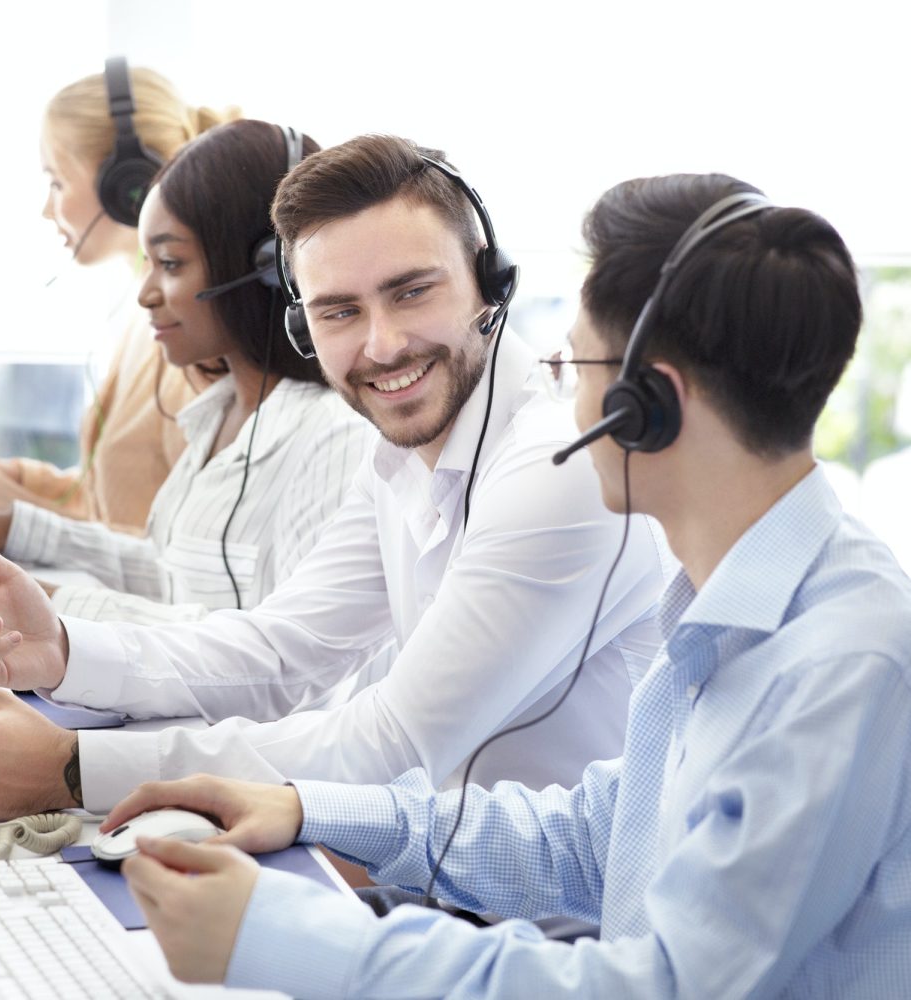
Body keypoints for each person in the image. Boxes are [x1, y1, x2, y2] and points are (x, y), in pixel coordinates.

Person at [104, 174, 910, 997]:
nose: (561, 389)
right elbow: (598, 840)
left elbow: (667, 987)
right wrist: (309, 809)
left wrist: (289, 938)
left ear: (646, 408)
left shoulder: (841, 663)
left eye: (576, 361)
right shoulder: (728, 611)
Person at [0, 135, 666, 823]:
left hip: (541, 925)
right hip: (435, 872)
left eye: (412, 291)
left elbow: (391, 743)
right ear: (303, 327)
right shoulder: (404, 452)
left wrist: (75, 770)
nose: (383, 345)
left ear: (489, 283)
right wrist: (64, 649)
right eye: (339, 311)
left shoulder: (555, 469)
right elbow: (284, 648)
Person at [0, 120, 372, 625]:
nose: (145, 293)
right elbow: (170, 576)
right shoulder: (219, 415)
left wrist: (52, 607)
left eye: (171, 263)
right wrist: (15, 530)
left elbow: (280, 653)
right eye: (148, 262)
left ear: (270, 266)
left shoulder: (336, 437)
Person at [0, 63, 237, 533]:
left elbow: (181, 552)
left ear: (128, 185)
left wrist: (23, 512)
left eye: (57, 182)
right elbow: (114, 500)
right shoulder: (140, 319)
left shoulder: (191, 337)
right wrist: (11, 478)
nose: (47, 209)